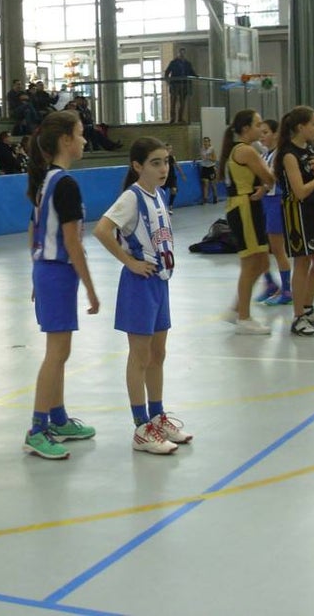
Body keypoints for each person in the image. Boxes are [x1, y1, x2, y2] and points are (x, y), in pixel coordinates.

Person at [93, 137, 190, 455]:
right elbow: (102, 230)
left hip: (160, 282)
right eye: (155, 163)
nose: (163, 169)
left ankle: (157, 415)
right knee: (140, 356)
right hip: (140, 284)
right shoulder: (131, 198)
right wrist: (130, 262)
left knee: (158, 354)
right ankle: (140, 427)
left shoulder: (159, 194)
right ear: (137, 166)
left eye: (165, 161)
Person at [22, 110, 100, 460]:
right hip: (56, 271)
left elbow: (32, 230)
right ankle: (37, 430)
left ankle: (58, 418)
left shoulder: (48, 180)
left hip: (49, 272)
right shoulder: (64, 183)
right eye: (81, 133)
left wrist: (36, 269)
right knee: (56, 353)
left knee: (61, 351)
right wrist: (91, 287)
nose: (85, 139)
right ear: (66, 140)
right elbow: (72, 243)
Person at [273, 106, 314, 337]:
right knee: (302, 262)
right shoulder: (289, 154)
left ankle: (307, 306)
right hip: (296, 211)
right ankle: (298, 317)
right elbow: (299, 191)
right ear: (301, 127)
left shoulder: (308, 149)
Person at [218, 109, 275, 335]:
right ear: (245, 129)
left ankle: (236, 309)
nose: (261, 128)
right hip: (244, 208)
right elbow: (269, 177)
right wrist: (267, 183)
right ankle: (244, 317)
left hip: (248, 206)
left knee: (262, 263)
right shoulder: (246, 151)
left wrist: (264, 187)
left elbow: (265, 181)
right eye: (257, 124)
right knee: (251, 263)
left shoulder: (241, 150)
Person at [257, 118, 292, 306]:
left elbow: (275, 180)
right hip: (264, 202)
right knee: (262, 248)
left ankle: (287, 290)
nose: (261, 136)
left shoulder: (281, 156)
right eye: (260, 132)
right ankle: (270, 283)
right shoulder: (264, 155)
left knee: (278, 249)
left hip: (275, 202)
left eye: (265, 132)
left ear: (276, 134)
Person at [163, 47, 197, 124]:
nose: (182, 54)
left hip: (184, 84)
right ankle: (173, 118)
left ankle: (180, 118)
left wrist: (197, 76)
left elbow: (191, 72)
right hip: (175, 84)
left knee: (182, 102)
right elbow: (167, 72)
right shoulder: (173, 62)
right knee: (173, 102)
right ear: (178, 53)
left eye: (183, 53)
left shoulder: (187, 63)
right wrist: (169, 82)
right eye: (181, 53)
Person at [197, 135, 218, 204]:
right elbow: (201, 157)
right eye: (204, 141)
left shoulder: (212, 149)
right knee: (205, 183)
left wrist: (208, 158)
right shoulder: (202, 149)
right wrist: (197, 159)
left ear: (209, 142)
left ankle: (215, 197)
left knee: (212, 184)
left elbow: (215, 159)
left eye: (207, 141)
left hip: (211, 168)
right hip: (204, 168)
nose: (205, 143)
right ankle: (205, 199)